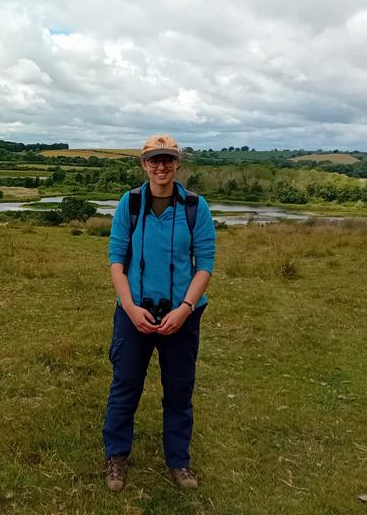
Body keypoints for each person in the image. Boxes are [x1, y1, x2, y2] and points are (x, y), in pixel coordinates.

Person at [103, 134, 216, 492]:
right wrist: (129, 307)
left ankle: (179, 462)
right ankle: (116, 457)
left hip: (181, 317)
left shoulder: (195, 206)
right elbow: (116, 261)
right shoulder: (130, 203)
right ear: (144, 165)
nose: (161, 166)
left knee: (179, 390)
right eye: (154, 160)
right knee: (125, 386)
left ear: (177, 163)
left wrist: (184, 309)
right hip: (134, 313)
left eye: (168, 159)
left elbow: (205, 264)